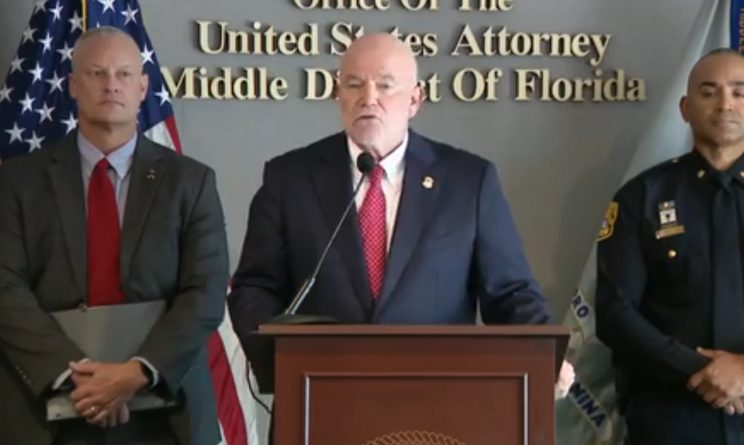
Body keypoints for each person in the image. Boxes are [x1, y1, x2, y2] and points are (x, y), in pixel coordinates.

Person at [228, 32, 573, 386]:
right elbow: (254, 287)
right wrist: (283, 365)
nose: (368, 98)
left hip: (439, 397)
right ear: (338, 94)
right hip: (319, 393)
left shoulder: (468, 182)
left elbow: (509, 292)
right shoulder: (290, 178)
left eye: (385, 85)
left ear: (415, 99)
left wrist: (545, 357)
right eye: (354, 85)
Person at [0, 27, 228, 445]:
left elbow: (206, 291)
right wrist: (79, 378)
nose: (111, 85)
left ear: (142, 87)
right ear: (73, 85)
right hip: (47, 411)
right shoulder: (17, 181)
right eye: (97, 73)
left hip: (166, 413)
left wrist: (136, 373)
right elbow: (5, 288)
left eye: (124, 74)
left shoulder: (191, 182)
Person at [597, 48, 744, 445]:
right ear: (685, 108)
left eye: (739, 92)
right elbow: (614, 312)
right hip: (674, 415)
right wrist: (698, 370)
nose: (725, 103)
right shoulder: (642, 197)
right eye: (709, 92)